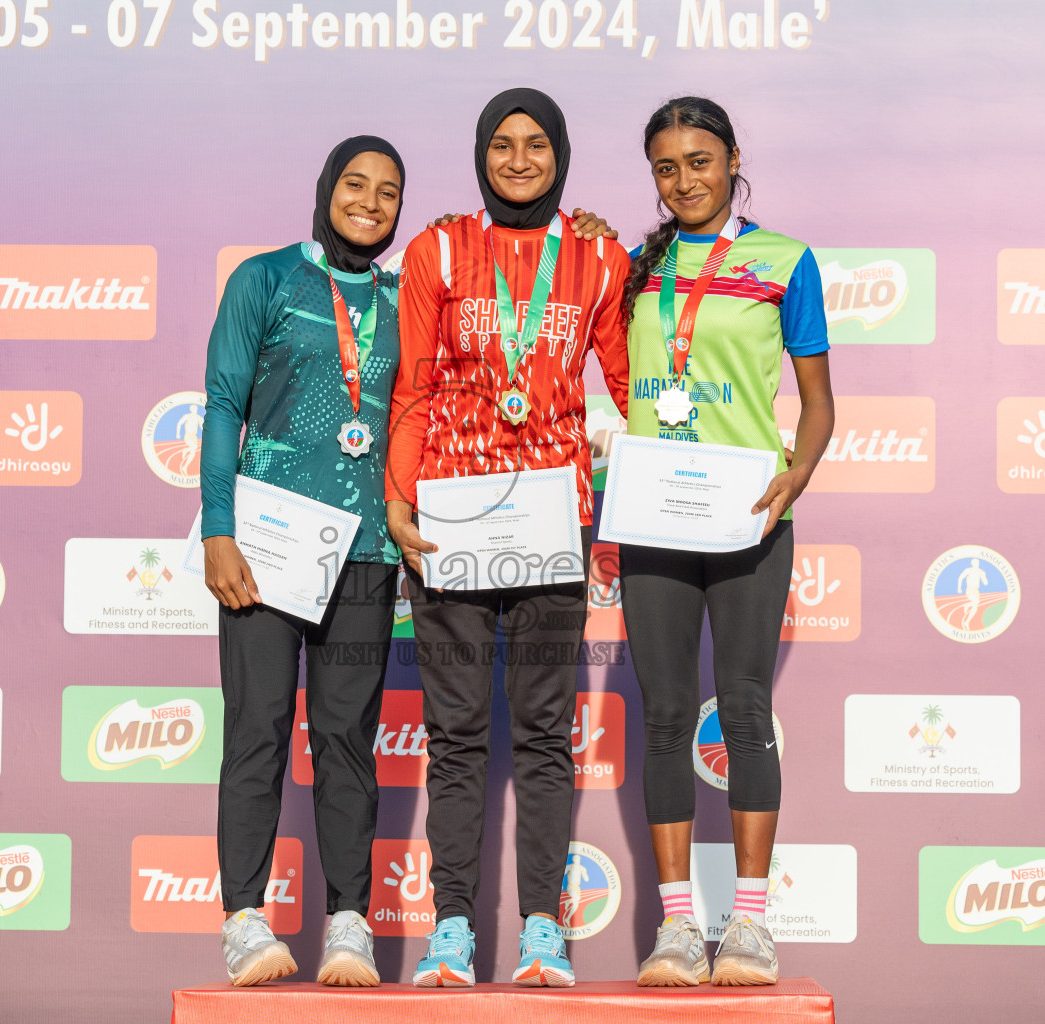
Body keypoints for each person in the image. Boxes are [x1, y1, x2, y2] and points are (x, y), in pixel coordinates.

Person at [386, 87, 631, 988]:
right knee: (454, 736)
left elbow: (634, 379)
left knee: (541, 737)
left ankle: (541, 934)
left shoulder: (598, 257)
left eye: (536, 144)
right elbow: (413, 386)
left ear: (561, 153)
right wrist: (399, 500)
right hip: (452, 518)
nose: (519, 160)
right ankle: (450, 930)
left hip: (551, 522)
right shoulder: (439, 248)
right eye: (501, 144)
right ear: (479, 154)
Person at [617, 96, 834, 987]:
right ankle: (676, 930)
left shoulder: (786, 260)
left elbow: (818, 404)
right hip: (654, 520)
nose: (685, 181)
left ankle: (748, 926)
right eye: (666, 167)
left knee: (744, 711)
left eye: (700, 161)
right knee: (666, 716)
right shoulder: (635, 265)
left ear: (733, 158)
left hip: (748, 516)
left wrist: (796, 477)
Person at [200, 136, 406, 988]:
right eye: (354, 184)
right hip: (269, 546)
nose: (370, 200)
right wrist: (217, 528)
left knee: (349, 742)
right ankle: (245, 921)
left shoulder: (404, 300)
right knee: (255, 735)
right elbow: (221, 404)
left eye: (389, 190)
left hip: (365, 553)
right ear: (324, 190)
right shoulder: (268, 279)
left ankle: (348, 922)